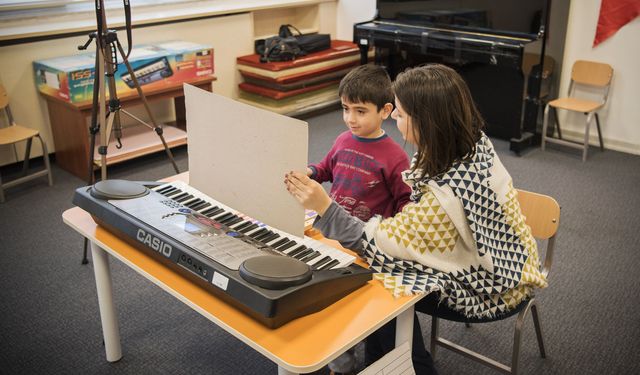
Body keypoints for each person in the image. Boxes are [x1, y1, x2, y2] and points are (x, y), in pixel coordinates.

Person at [284, 64, 548, 374]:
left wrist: (324, 207)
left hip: (494, 280)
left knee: (378, 280)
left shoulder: (442, 198)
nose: (395, 119)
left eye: (401, 114)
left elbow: (378, 241)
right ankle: (382, 361)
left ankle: (410, 364)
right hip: (509, 255)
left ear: (426, 123)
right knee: (377, 273)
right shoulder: (474, 143)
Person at [307, 64, 411, 222]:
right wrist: (310, 172)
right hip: (333, 223)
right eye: (346, 109)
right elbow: (326, 169)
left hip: (366, 237)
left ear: (385, 110)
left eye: (360, 111)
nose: (350, 119)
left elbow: (405, 200)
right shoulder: (342, 139)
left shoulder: (396, 157)